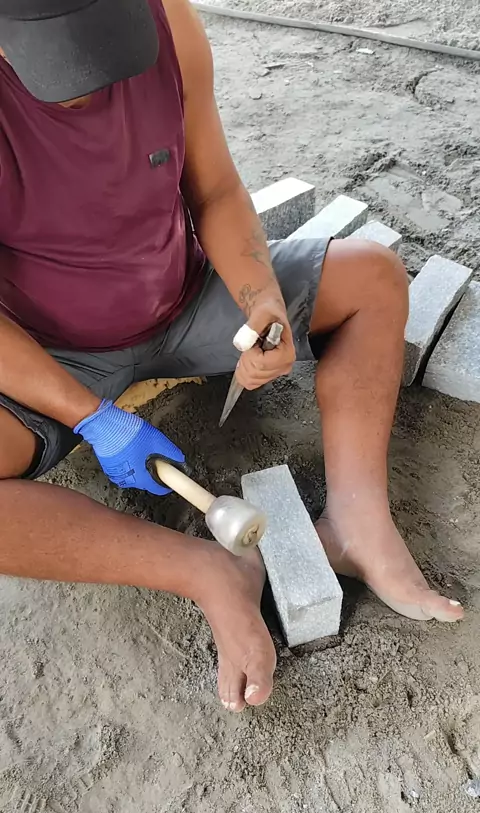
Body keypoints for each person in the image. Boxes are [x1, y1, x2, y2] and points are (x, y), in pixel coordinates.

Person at [0, 0, 463, 713]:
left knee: (373, 277)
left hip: (184, 298)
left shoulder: (170, 21)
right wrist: (91, 416)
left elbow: (214, 187)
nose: (90, 82)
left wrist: (260, 302)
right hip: (51, 352)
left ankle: (357, 524)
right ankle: (205, 571)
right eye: (59, 55)